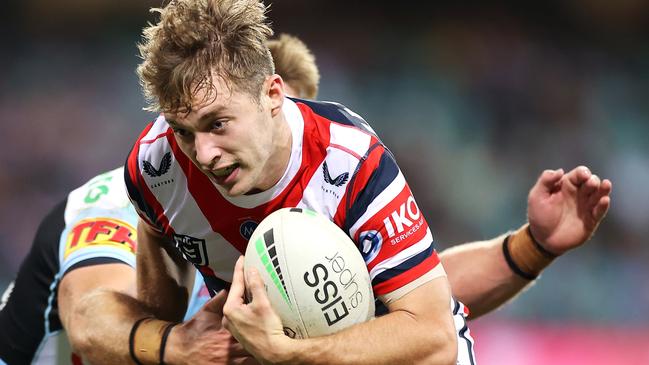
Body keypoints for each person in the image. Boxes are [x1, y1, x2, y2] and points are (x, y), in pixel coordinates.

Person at [124, 1, 611, 365]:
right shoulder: (155, 168)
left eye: (218, 124)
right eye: (184, 132)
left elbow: (431, 332)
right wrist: (170, 346)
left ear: (272, 95)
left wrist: (288, 353)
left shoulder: (349, 161)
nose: (203, 153)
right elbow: (157, 292)